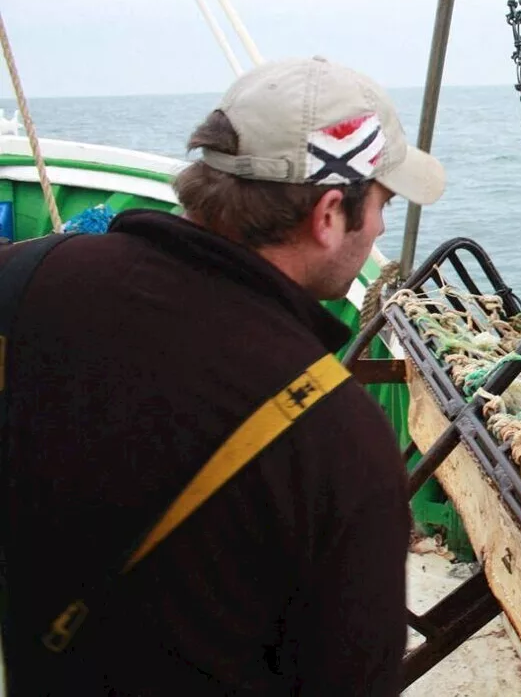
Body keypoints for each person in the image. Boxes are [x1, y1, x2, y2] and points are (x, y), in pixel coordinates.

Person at [0, 56, 446, 695]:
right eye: (382, 202)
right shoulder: (339, 441)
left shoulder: (28, 279)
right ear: (327, 215)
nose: (378, 224)